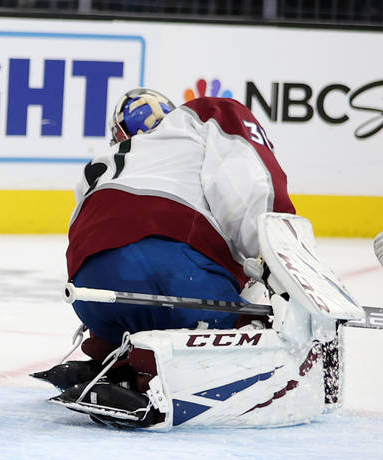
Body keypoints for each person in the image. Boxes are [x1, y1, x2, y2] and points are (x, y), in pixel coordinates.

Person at [39, 89, 346, 429]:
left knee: (131, 284)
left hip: (90, 297)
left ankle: (112, 359)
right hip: (174, 276)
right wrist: (284, 268)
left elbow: (83, 240)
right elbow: (255, 190)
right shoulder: (205, 117)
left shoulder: (97, 168)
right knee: (255, 316)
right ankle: (156, 376)